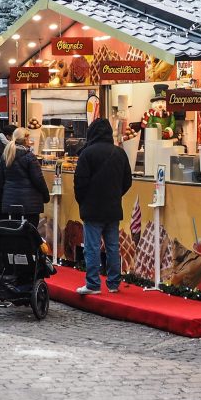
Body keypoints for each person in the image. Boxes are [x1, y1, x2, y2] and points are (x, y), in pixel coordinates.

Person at [73, 118, 133, 295]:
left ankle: (93, 284)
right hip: (113, 207)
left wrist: (83, 201)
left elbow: (80, 183)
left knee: (92, 247)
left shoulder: (87, 154)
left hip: (92, 208)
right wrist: (115, 195)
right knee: (113, 246)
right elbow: (127, 181)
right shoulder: (119, 153)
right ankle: (114, 283)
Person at [0, 127, 49, 225]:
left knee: (15, 233)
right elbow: (38, 180)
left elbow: (1, 179)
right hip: (29, 205)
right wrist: (45, 196)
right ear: (25, 139)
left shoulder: (6, 155)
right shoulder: (29, 157)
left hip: (11, 203)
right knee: (30, 234)